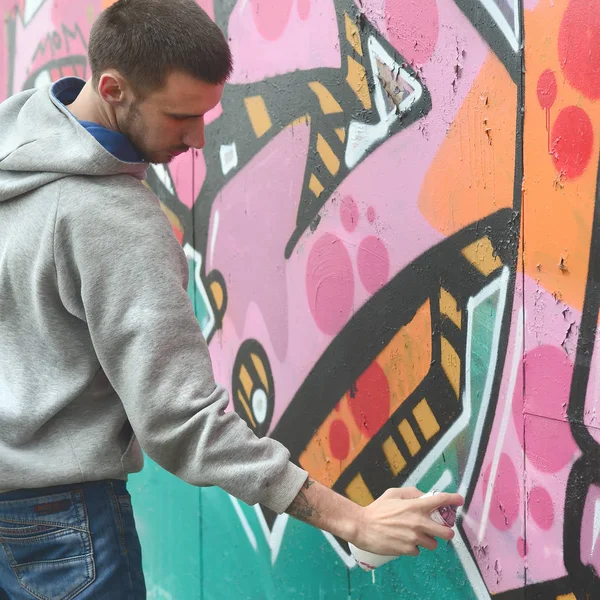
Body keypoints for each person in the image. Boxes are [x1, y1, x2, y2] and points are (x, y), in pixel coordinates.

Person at [0, 0, 464, 597]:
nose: (197, 138)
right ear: (112, 88)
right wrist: (352, 519)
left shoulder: (16, 158)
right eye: (179, 116)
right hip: (65, 539)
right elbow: (182, 422)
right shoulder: (111, 221)